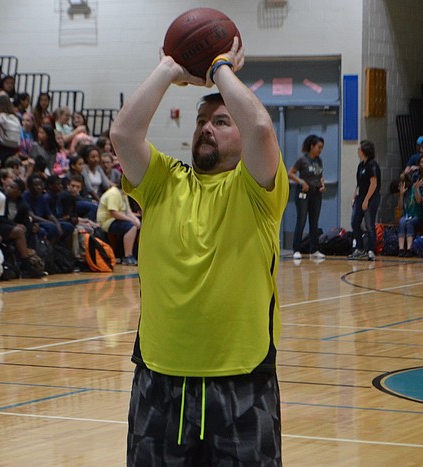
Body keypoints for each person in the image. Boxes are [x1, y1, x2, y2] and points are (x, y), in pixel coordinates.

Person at [110, 38, 287, 465]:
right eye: (202, 120)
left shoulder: (258, 188)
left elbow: (261, 128)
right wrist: (170, 69)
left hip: (242, 382)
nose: (207, 127)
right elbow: (123, 133)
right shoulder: (163, 181)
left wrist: (220, 68)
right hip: (159, 377)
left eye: (223, 121)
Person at [288, 134, 326, 259]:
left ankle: (314, 250)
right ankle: (296, 249)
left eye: (322, 148)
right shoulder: (302, 160)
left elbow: (320, 175)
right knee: (302, 220)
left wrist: (322, 184)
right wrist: (301, 182)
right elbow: (290, 173)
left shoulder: (319, 160)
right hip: (303, 192)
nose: (320, 150)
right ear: (312, 146)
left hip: (316, 193)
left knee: (314, 222)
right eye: (319, 147)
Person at [349, 140, 381, 261]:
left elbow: (373, 184)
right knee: (355, 223)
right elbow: (359, 184)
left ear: (364, 151)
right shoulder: (361, 165)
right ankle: (360, 248)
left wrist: (366, 200)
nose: (358, 151)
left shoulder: (372, 165)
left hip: (371, 198)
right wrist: (354, 196)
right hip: (360, 197)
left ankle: (371, 250)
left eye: (359, 149)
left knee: (369, 225)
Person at [397, 172, 423, 257]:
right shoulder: (403, 191)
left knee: (409, 223)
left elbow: (419, 201)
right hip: (406, 215)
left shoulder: (414, 188)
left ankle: (409, 249)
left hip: (416, 216)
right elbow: (400, 208)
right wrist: (401, 195)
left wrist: (416, 189)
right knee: (402, 221)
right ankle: (401, 249)